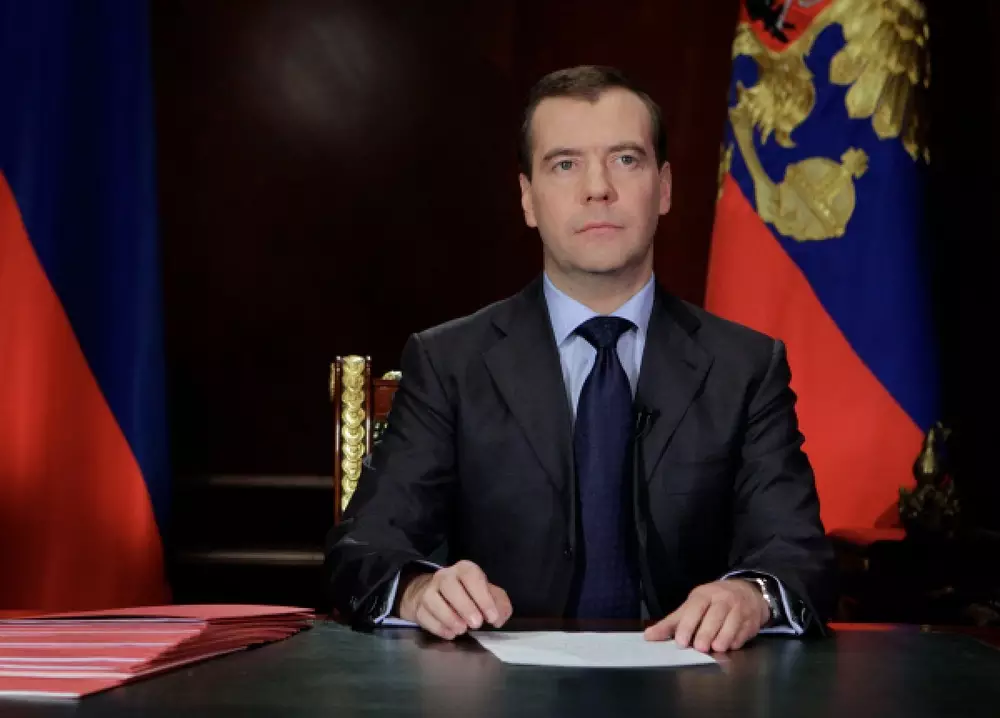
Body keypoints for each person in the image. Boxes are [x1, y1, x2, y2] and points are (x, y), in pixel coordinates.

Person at [324, 65, 835, 653]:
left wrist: (752, 594)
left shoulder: (746, 367)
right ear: (528, 199)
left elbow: (799, 554)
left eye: (626, 159)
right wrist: (418, 591)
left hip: (692, 681)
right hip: (499, 686)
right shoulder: (449, 362)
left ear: (664, 188)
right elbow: (362, 549)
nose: (598, 188)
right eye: (565, 164)